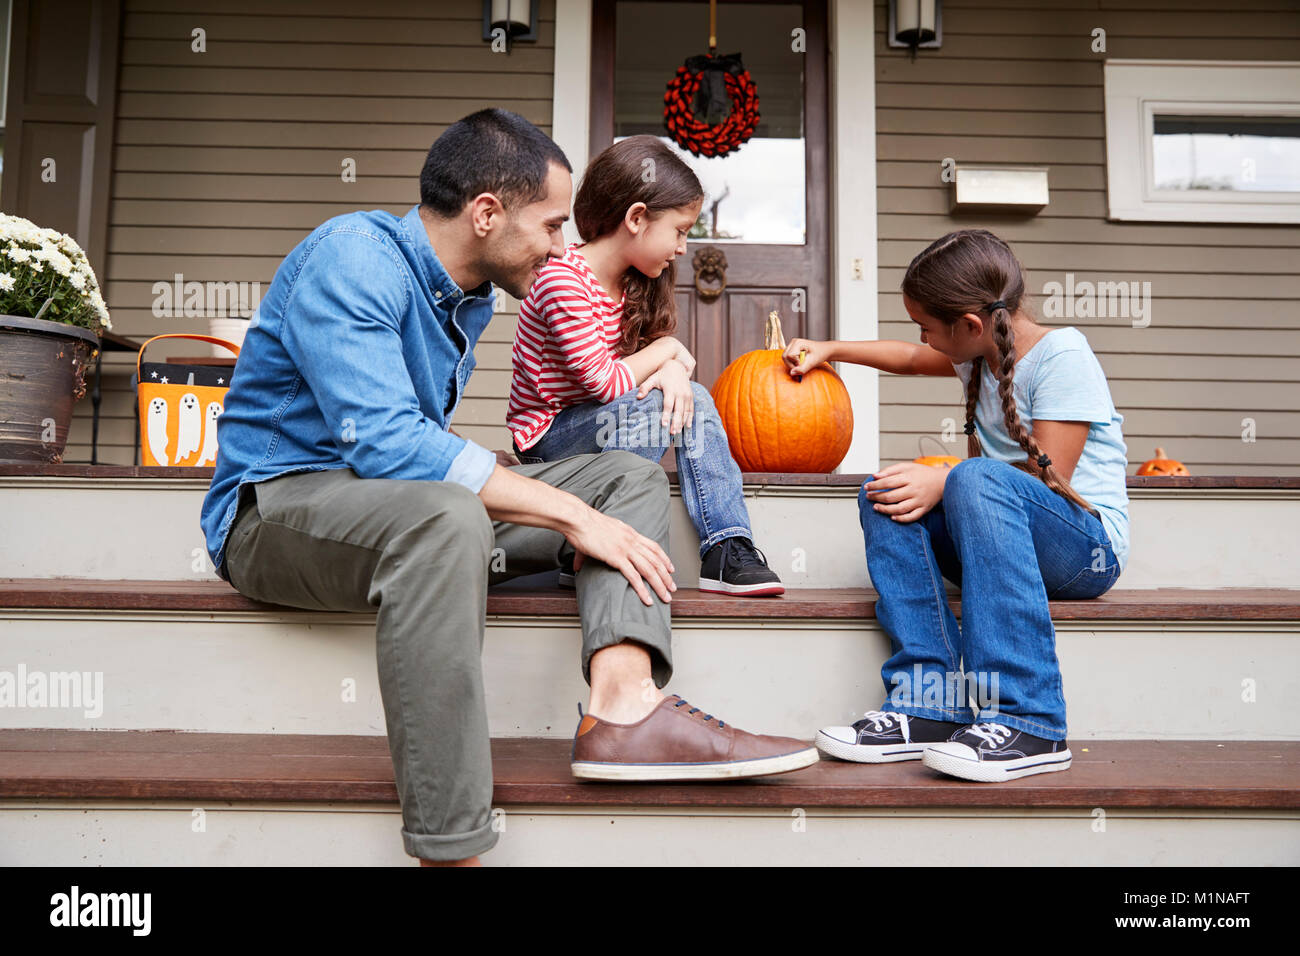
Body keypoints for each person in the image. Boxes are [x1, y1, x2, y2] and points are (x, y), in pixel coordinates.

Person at [199, 109, 817, 867]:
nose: (563, 246)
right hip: (280, 512)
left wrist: (573, 501)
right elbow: (386, 442)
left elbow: (418, 461)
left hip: (398, 504)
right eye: (554, 225)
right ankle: (451, 847)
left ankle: (624, 705)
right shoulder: (354, 258)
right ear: (487, 214)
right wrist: (566, 516)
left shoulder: (473, 297)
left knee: (621, 474)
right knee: (446, 523)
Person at [784, 229, 1130, 782]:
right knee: (885, 494)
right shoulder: (980, 353)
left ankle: (1030, 718)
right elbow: (906, 358)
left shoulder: (1062, 355)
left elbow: (1054, 478)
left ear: (969, 325)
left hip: (1084, 546)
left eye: (926, 325)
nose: (921, 337)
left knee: (967, 477)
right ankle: (930, 704)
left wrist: (944, 482)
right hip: (998, 530)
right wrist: (832, 350)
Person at [507, 135, 783, 596]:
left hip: (608, 426)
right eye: (679, 231)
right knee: (668, 404)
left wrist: (672, 367)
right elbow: (602, 381)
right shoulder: (562, 279)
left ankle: (728, 543)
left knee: (689, 396)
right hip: (550, 440)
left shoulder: (634, 283)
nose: (682, 248)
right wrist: (669, 350)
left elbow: (641, 374)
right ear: (636, 218)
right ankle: (601, 539)